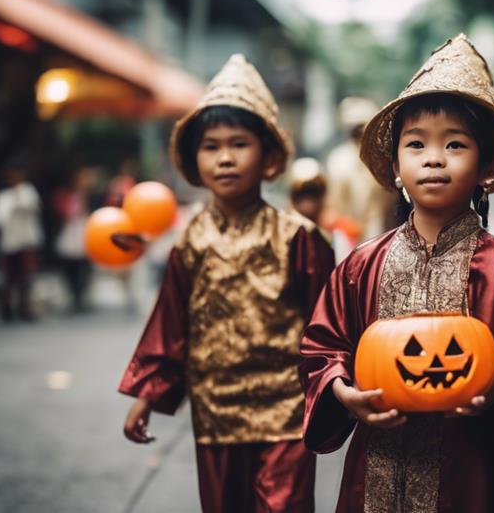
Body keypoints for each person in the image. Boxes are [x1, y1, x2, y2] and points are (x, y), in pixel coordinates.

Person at [300, 34, 494, 512]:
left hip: (471, 469)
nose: (433, 157)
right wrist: (345, 392)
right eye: (416, 144)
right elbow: (322, 346)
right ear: (394, 167)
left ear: (487, 165)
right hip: (377, 464)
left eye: (454, 144)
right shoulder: (361, 265)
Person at [117, 55, 334, 513]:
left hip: (286, 411)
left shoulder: (299, 237)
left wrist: (337, 389)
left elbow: (328, 326)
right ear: (195, 160)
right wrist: (148, 394)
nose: (226, 158)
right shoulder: (189, 242)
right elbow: (170, 324)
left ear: (269, 156)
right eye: (211, 147)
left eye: (239, 144)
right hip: (215, 412)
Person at [325, 96, 398, 260]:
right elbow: (332, 204)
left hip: (380, 231)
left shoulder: (383, 159)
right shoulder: (339, 160)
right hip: (347, 234)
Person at [0, 154, 43, 320]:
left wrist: (18, 196)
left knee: (26, 277)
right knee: (9, 278)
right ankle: (6, 307)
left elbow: (32, 207)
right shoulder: (2, 197)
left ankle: (25, 307)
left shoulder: (28, 191)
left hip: (26, 241)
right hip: (9, 243)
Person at [52, 166, 95, 312]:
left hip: (85, 232)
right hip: (70, 234)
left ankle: (81, 295)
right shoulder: (65, 195)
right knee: (70, 265)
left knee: (84, 266)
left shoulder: (89, 195)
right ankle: (74, 294)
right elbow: (63, 213)